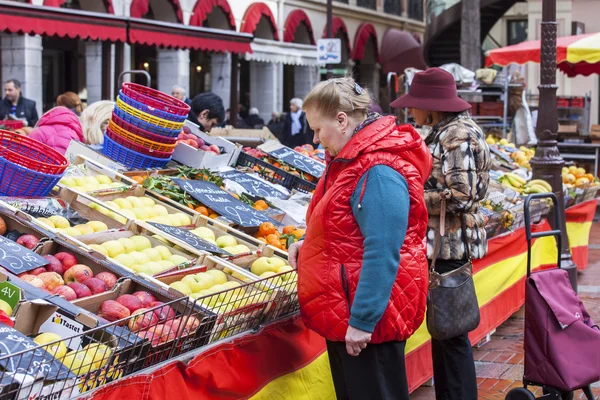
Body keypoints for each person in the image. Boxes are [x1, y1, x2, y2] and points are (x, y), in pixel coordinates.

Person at [288, 77, 432, 400]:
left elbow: (383, 249)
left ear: (341, 120)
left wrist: (363, 321)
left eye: (317, 129)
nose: (314, 139)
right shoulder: (349, 161)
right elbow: (345, 229)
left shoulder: (378, 169)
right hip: (348, 313)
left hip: (369, 323)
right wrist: (308, 245)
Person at [390, 67, 491, 400]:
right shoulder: (448, 130)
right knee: (446, 330)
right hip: (443, 245)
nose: (412, 110)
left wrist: (412, 197)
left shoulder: (455, 135)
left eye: (415, 104)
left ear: (432, 106)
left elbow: (461, 195)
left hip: (448, 247)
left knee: (451, 332)